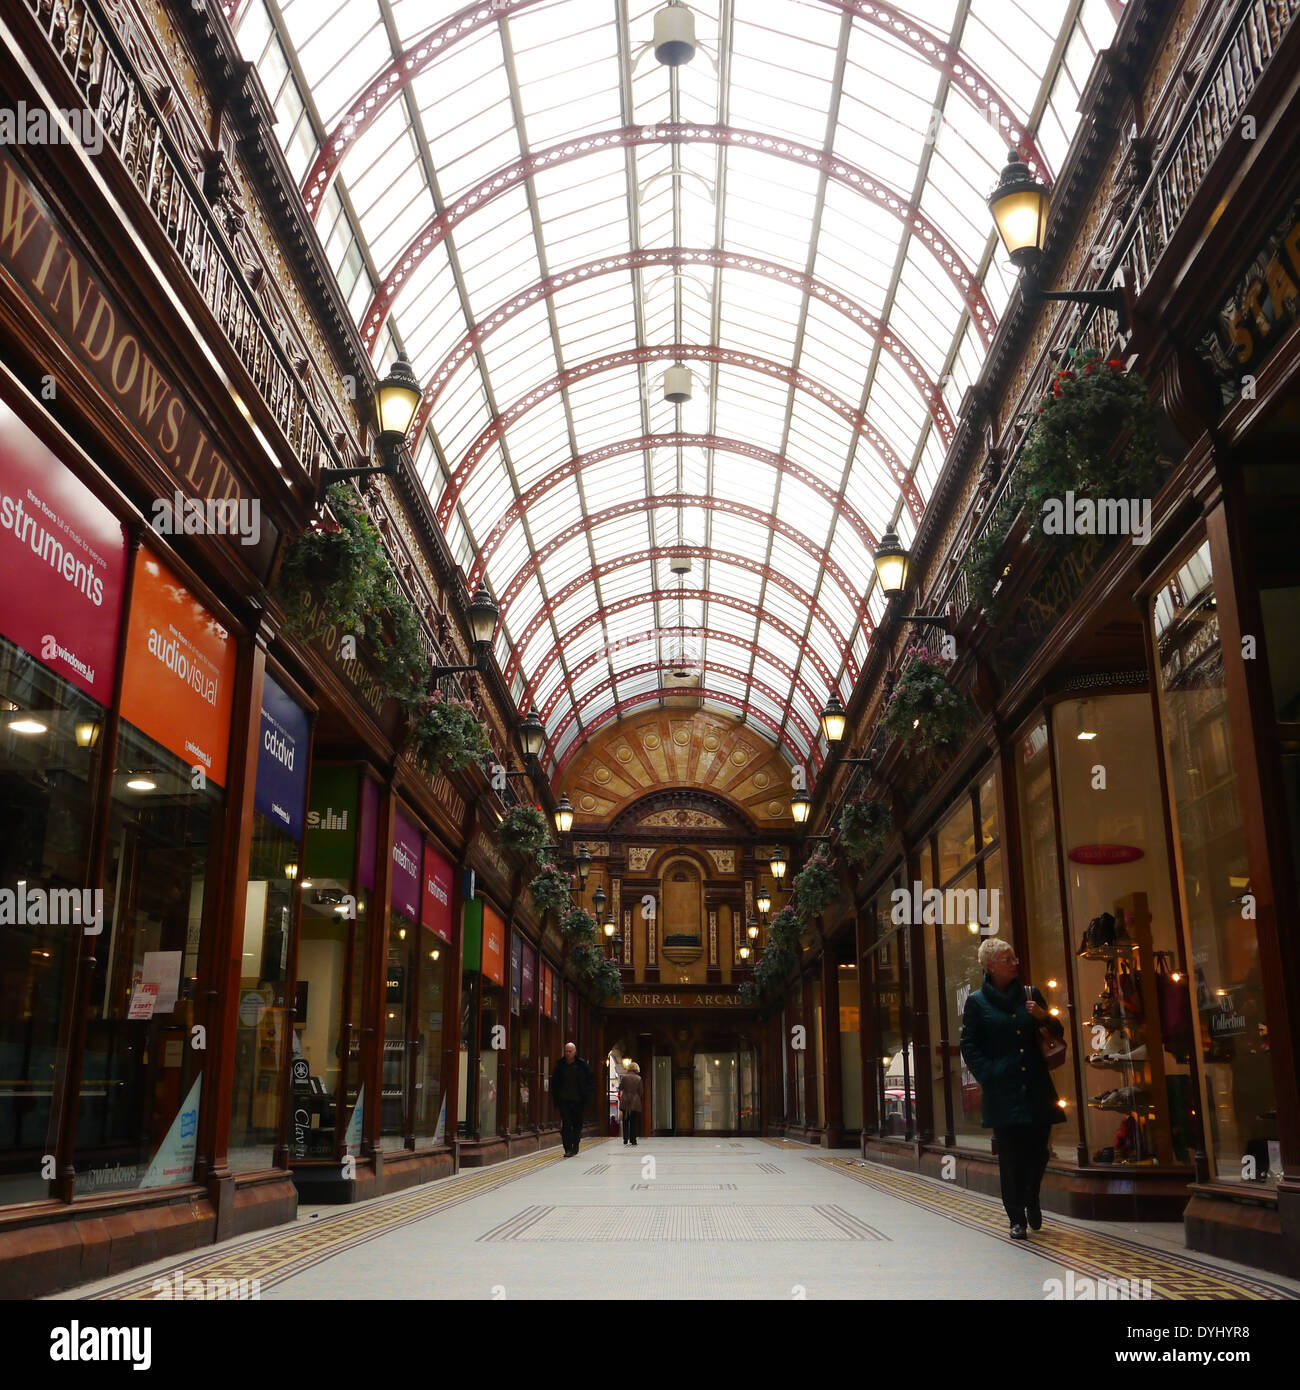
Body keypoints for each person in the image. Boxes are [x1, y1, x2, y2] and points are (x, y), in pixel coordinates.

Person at [960, 936, 1066, 1239]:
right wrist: (990, 1073)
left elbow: (1057, 1032)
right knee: (1010, 1157)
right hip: (1002, 1091)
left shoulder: (1031, 995)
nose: (1015, 963)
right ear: (990, 966)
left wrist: (1042, 1016)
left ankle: (1031, 1196)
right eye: (1008, 959)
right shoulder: (977, 1003)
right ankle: (1016, 1216)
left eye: (1015, 957)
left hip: (1035, 1087)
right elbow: (969, 1045)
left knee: (1038, 1153)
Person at [550, 1041, 594, 1157]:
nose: (568, 1053)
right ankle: (567, 1148)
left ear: (575, 1052)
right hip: (564, 1100)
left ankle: (575, 1145)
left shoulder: (582, 1065)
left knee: (577, 1125)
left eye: (570, 1051)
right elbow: (554, 1082)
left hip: (578, 1101)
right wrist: (556, 1097)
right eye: (566, 1051)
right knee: (566, 1124)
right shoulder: (560, 1066)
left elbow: (590, 1081)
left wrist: (587, 1096)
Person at [618, 1061, 642, 1145]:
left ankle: (625, 1138)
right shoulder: (639, 1078)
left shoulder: (624, 1077)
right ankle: (633, 1139)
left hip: (625, 1100)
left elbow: (620, 1088)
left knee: (625, 1120)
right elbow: (641, 1091)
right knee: (633, 1121)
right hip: (635, 1101)